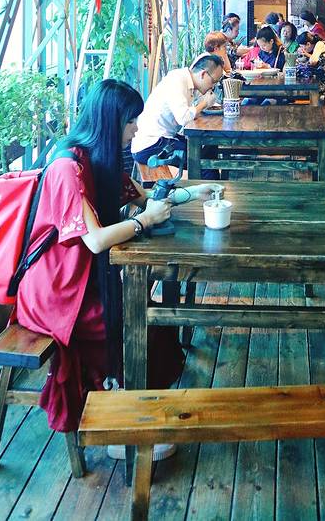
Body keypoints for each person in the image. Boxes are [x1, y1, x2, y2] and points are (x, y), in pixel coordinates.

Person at [14, 79, 217, 448]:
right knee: (139, 322)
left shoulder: (99, 161)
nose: (136, 129)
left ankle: (130, 408)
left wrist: (193, 192)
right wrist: (144, 222)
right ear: (110, 122)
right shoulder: (67, 167)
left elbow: (145, 198)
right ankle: (124, 423)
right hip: (58, 293)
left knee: (149, 317)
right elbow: (94, 240)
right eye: (130, 122)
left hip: (85, 281)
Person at [132, 54, 224, 171]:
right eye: (214, 81)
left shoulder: (188, 83)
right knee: (201, 158)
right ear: (203, 74)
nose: (213, 86)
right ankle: (208, 182)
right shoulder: (177, 80)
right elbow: (184, 117)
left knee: (208, 147)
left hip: (164, 138)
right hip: (149, 145)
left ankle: (213, 182)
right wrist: (204, 103)